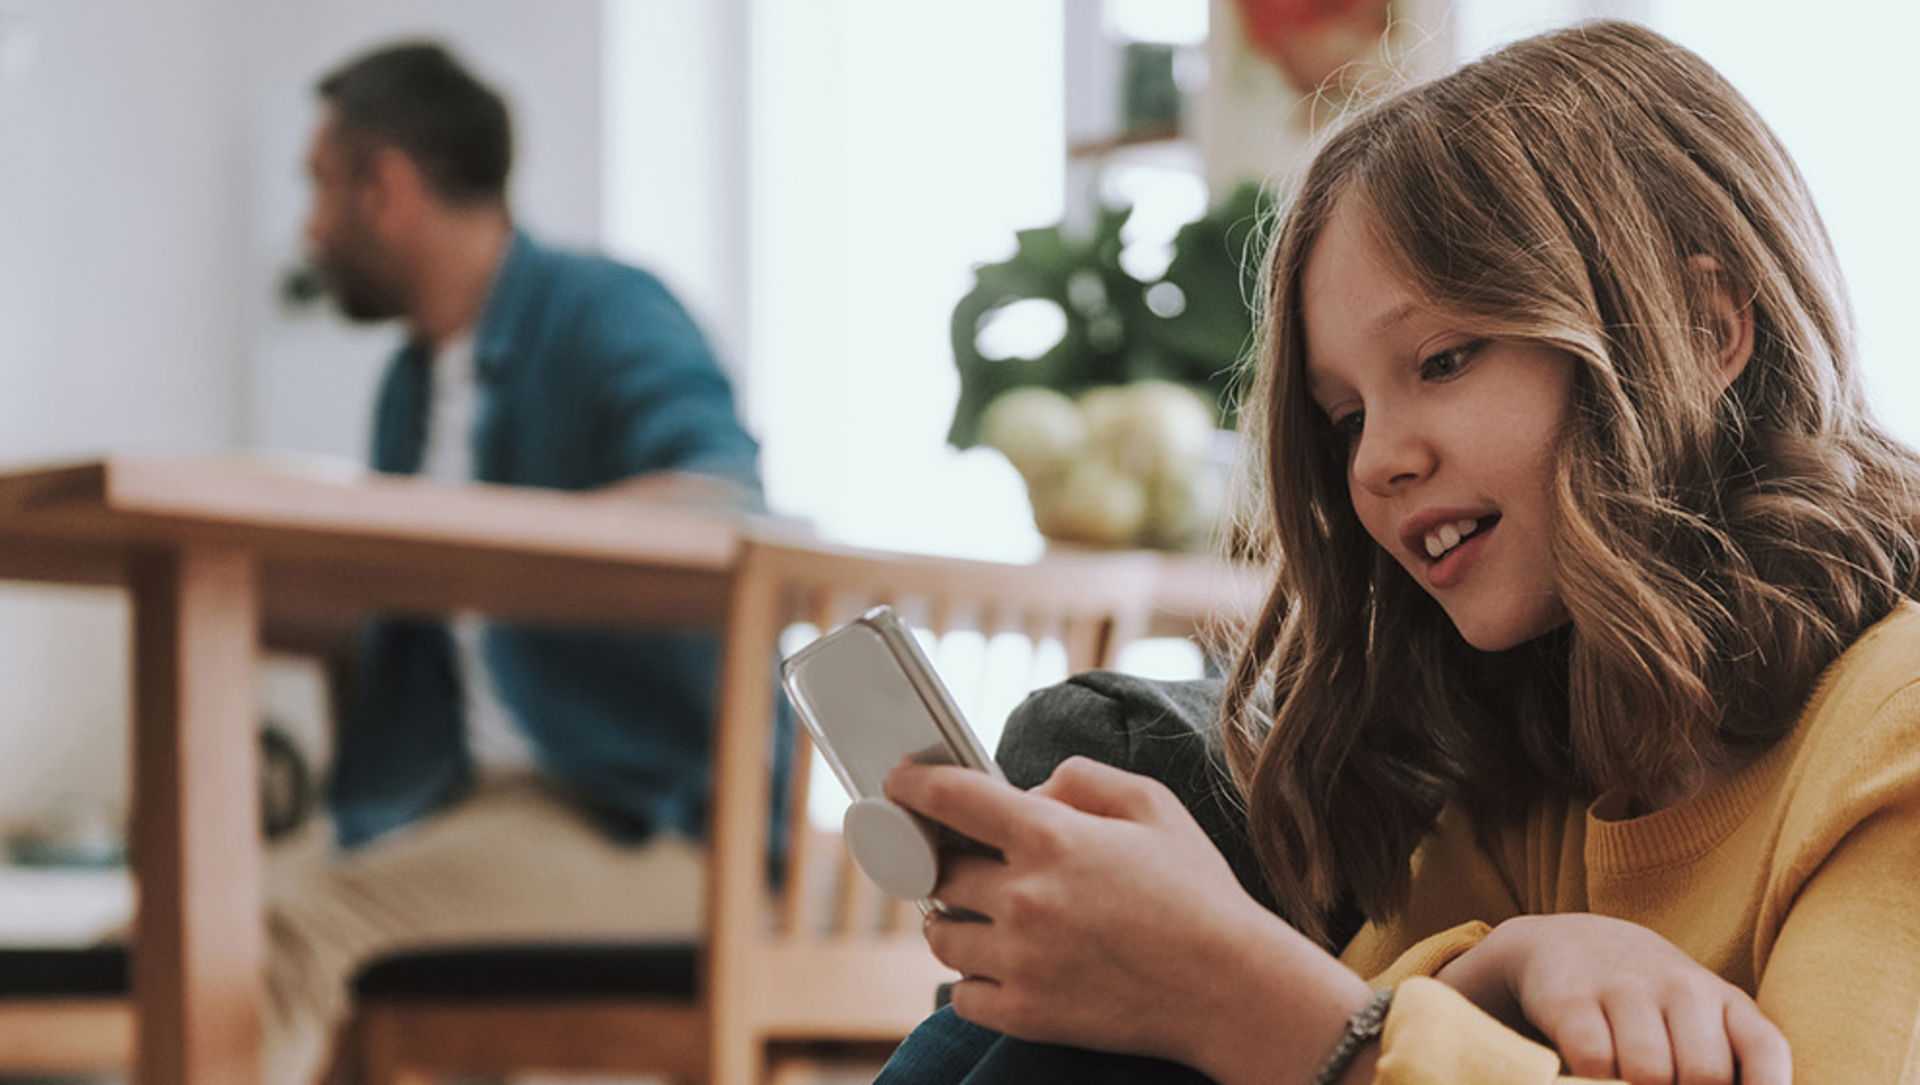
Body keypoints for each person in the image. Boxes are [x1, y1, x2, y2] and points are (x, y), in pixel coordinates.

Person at [876, 19, 1920, 1085]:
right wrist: (1510, 959)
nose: (1375, 460)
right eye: (1343, 418)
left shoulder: (1898, 719)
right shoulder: (1551, 730)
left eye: (1444, 359)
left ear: (1703, 331)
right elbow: (1385, 1005)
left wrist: (1231, 989)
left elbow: (1337, 1031)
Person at [267, 41, 767, 1085]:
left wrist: (470, 553)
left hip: (647, 822)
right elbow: (410, 617)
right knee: (183, 909)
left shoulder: (606, 310)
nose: (310, 227)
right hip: (452, 806)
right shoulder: (409, 385)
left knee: (277, 931)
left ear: (387, 185)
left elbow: (723, 500)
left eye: (320, 185)